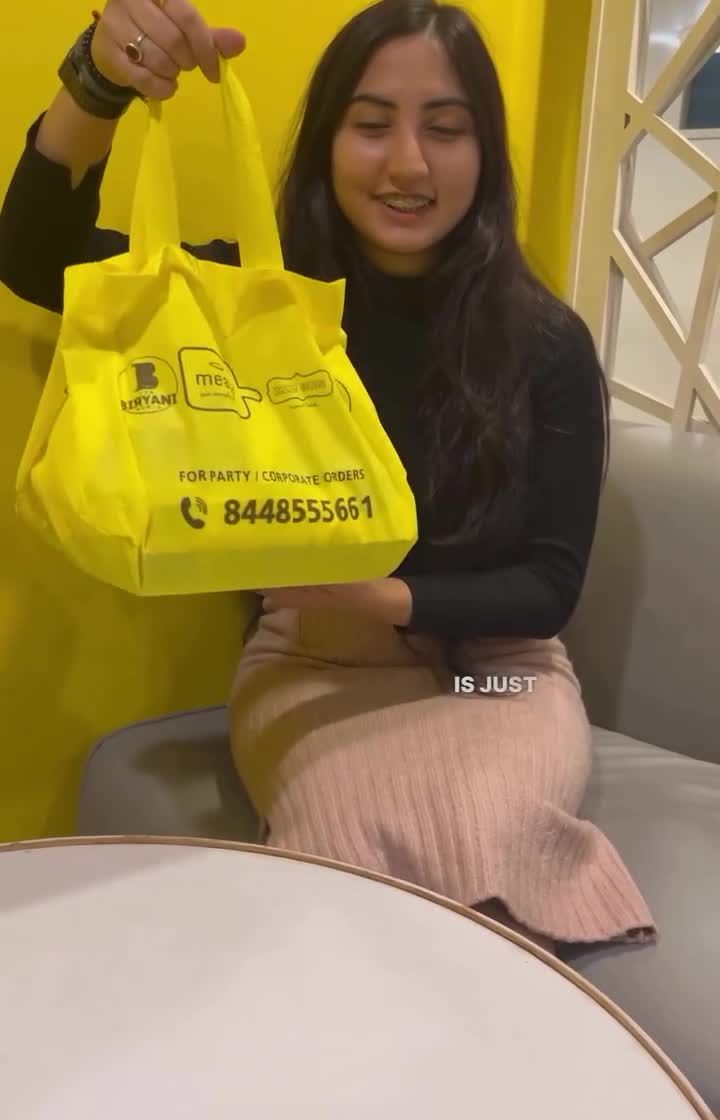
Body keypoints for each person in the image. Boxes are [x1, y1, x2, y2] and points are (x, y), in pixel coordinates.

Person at [0, 0, 655, 954]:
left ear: (485, 154)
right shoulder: (256, 309)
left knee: (490, 812)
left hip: (499, 680)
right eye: (372, 123)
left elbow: (548, 588)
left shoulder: (546, 342)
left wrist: (378, 593)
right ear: (326, 143)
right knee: (350, 828)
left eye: (446, 129)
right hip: (316, 662)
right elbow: (31, 254)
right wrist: (98, 78)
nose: (409, 164)